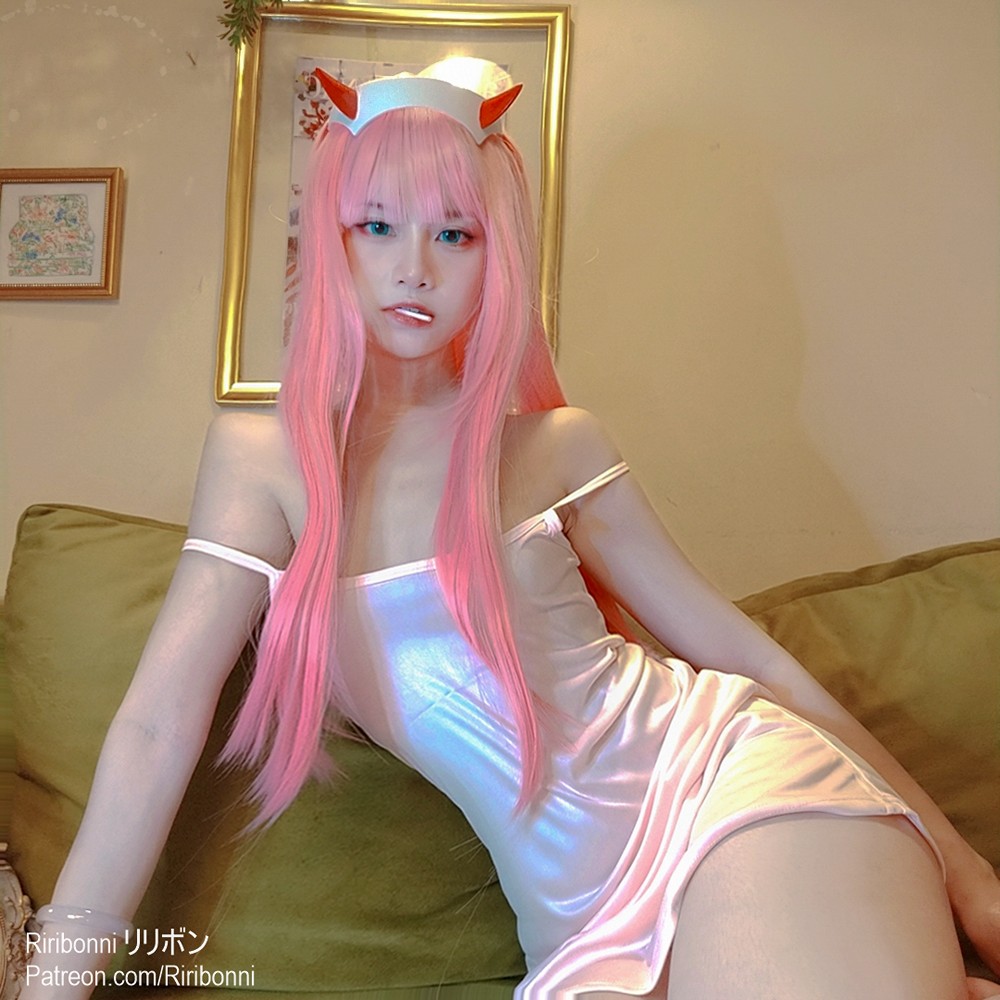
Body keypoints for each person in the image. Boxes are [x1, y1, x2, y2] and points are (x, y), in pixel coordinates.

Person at [24, 58, 1000, 1000]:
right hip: (579, 928)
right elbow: (153, 730)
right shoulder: (262, 460)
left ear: (497, 255)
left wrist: (968, 877)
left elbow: (748, 659)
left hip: (737, 796)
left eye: (456, 234)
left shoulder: (556, 448)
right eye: (378, 225)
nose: (414, 268)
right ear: (332, 238)